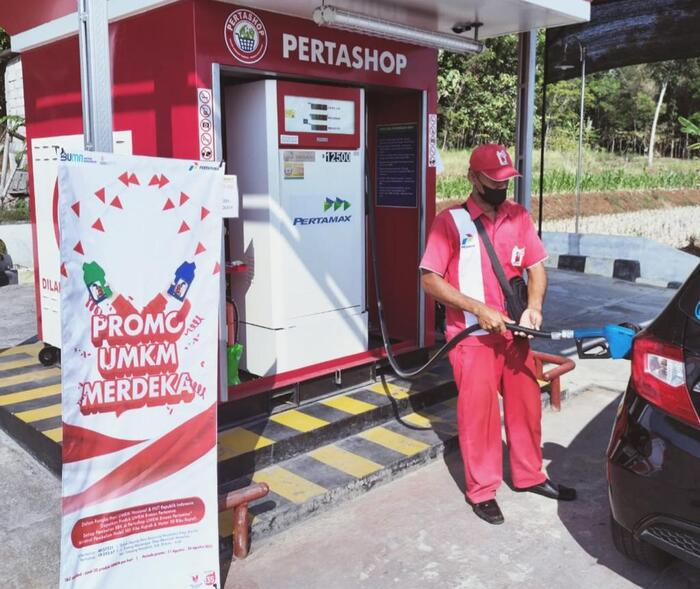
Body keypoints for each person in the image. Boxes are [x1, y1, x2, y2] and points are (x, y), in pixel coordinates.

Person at [419, 143, 576, 525]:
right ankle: (482, 490)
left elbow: (536, 269)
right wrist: (478, 309)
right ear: (473, 179)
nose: (502, 188)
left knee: (527, 406)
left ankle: (529, 475)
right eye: (494, 181)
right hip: (472, 338)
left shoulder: (518, 216)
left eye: (506, 181)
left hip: (515, 336)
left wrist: (534, 307)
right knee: (480, 416)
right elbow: (429, 280)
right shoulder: (449, 222)